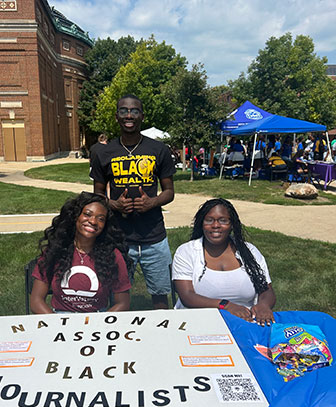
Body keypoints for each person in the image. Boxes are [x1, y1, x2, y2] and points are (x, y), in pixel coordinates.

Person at [90, 94, 176, 309]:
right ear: (117, 116)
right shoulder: (104, 152)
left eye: (134, 111)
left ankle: (161, 337)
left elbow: (169, 191)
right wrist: (114, 205)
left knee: (160, 296)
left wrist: (152, 202)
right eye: (124, 111)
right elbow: (98, 194)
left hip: (154, 236)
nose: (129, 115)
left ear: (142, 116)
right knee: (116, 297)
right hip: (118, 238)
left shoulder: (159, 150)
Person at [172, 198, 276, 326]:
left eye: (223, 220)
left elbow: (266, 290)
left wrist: (264, 305)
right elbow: (187, 296)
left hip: (246, 321)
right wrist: (226, 305)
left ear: (232, 225)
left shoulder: (249, 251)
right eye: (209, 220)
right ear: (201, 223)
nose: (216, 225)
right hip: (198, 321)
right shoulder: (186, 252)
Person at [30, 192, 131, 314]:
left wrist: (101, 323)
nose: (93, 221)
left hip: (97, 318)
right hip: (59, 317)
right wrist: (58, 324)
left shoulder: (112, 255)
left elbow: (123, 303)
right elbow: (36, 301)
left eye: (101, 219)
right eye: (87, 214)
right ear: (75, 216)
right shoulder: (56, 250)